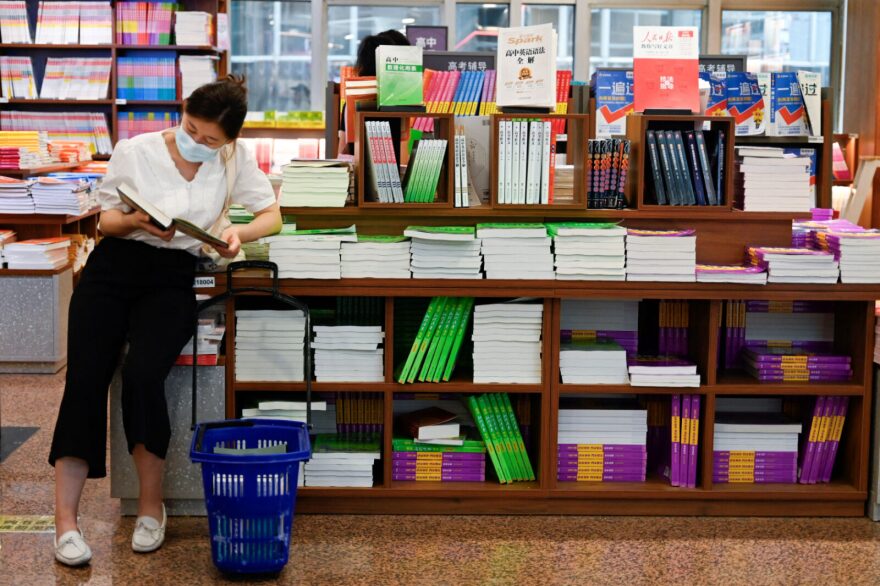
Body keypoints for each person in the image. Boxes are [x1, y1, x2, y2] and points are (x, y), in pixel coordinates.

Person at [48, 75, 282, 566]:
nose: (197, 143)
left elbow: (272, 216)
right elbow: (106, 221)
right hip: (114, 268)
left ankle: (151, 510)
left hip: (172, 277)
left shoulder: (233, 159)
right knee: (85, 381)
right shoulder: (136, 150)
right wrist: (135, 221)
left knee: (143, 376)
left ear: (230, 140)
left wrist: (235, 233)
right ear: (183, 113)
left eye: (210, 140)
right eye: (192, 129)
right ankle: (66, 524)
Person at [338, 29, 411, 156]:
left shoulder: (351, 102)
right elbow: (403, 159)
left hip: (357, 171)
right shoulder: (396, 100)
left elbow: (342, 154)